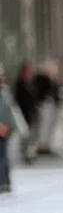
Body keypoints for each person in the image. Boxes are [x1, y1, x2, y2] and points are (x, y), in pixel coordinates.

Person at [0, 65, 27, 193]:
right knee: (3, 156)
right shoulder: (5, 91)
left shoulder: (4, 92)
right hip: (4, 127)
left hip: (4, 128)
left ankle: (4, 182)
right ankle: (5, 182)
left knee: (3, 156)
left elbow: (9, 110)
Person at [14, 63, 36, 164]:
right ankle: (25, 154)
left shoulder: (30, 84)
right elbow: (18, 100)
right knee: (25, 135)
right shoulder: (20, 85)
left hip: (30, 113)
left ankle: (29, 154)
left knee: (31, 135)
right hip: (23, 113)